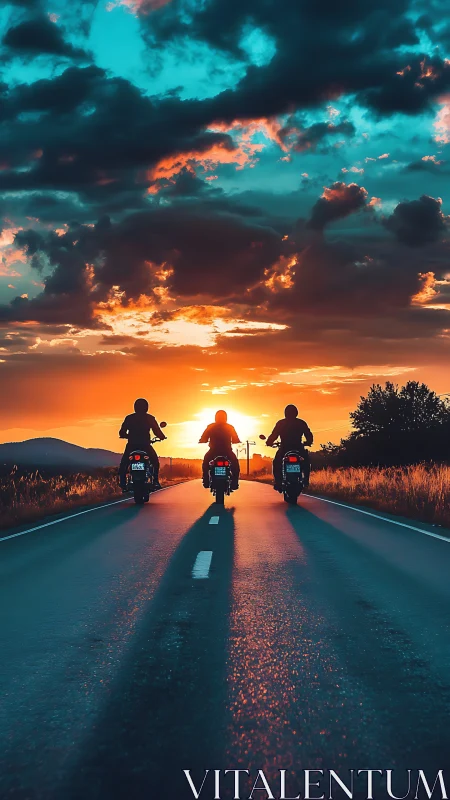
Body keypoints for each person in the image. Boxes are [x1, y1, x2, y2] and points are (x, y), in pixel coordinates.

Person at [118, 398, 167, 491]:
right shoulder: (150, 418)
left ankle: (123, 483)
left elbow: (122, 432)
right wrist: (162, 437)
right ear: (146, 407)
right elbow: (157, 431)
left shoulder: (129, 418)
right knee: (155, 462)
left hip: (132, 445)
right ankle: (155, 481)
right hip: (145, 445)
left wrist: (126, 436)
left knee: (124, 463)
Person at [266, 404, 313, 491]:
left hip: (284, 448)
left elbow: (274, 435)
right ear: (296, 413)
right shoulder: (301, 423)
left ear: (285, 413)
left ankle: (278, 482)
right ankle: (306, 480)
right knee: (306, 461)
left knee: (277, 462)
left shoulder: (281, 423)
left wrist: (269, 442)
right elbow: (308, 434)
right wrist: (309, 442)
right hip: (298, 448)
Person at [199, 410, 241, 490]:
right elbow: (235, 438)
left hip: (213, 451)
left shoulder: (210, 426)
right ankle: (234, 483)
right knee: (235, 465)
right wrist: (236, 441)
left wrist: (202, 440)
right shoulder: (230, 427)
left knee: (205, 463)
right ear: (226, 418)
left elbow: (204, 437)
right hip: (227, 451)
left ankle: (206, 480)